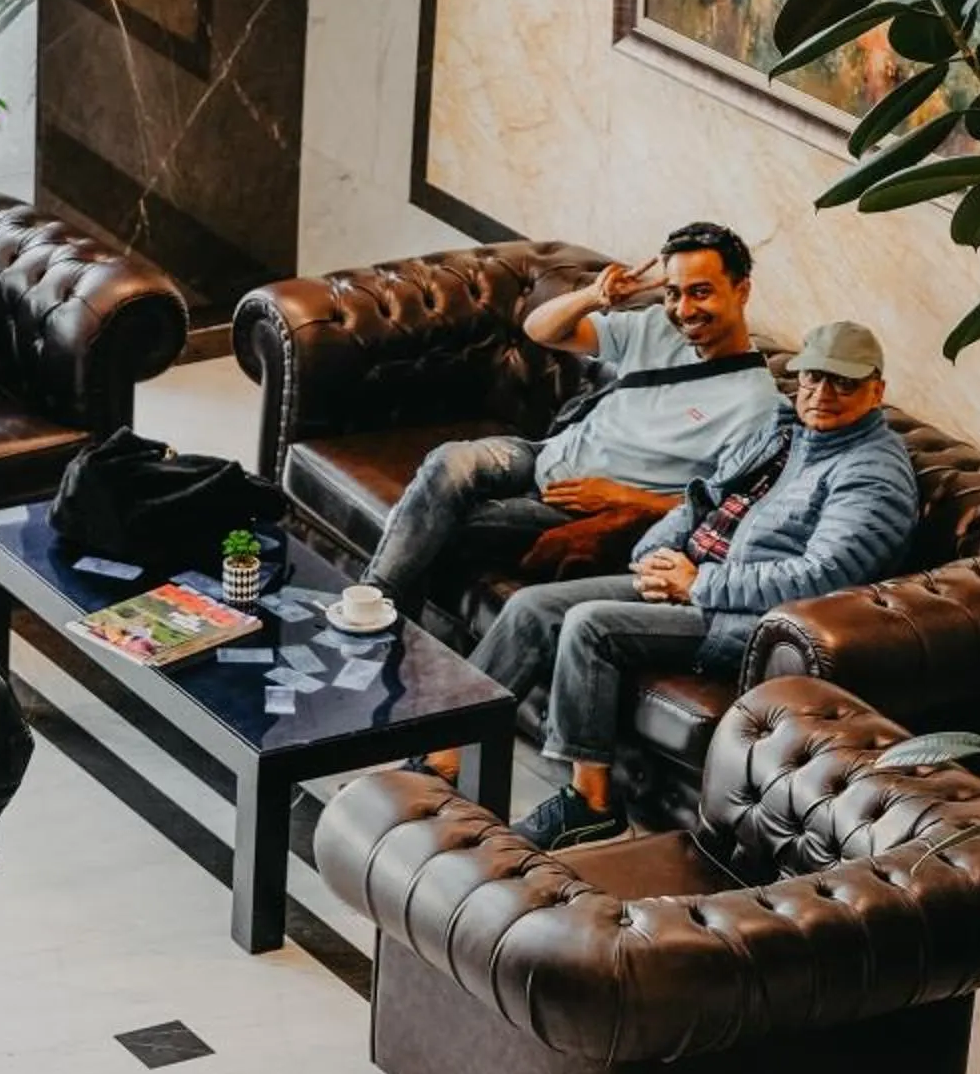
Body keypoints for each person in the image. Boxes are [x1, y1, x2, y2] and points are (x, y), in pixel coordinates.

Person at [465, 321, 919, 850]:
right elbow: (699, 498)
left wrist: (701, 583)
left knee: (591, 626)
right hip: (689, 578)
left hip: (746, 620)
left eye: (843, 383)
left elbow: (821, 578)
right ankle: (447, 749)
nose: (821, 394)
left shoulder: (872, 474)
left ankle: (589, 804)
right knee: (529, 607)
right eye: (813, 378)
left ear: (877, 391)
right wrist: (656, 554)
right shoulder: (783, 429)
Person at [362, 221, 780, 603]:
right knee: (450, 461)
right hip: (543, 456)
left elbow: (724, 511)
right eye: (674, 292)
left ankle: (372, 617)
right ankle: (373, 604)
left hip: (577, 510)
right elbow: (540, 329)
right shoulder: (656, 326)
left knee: (441, 524)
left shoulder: (756, 405)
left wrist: (624, 497)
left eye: (701, 292)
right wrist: (593, 297)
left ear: (742, 290)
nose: (684, 310)